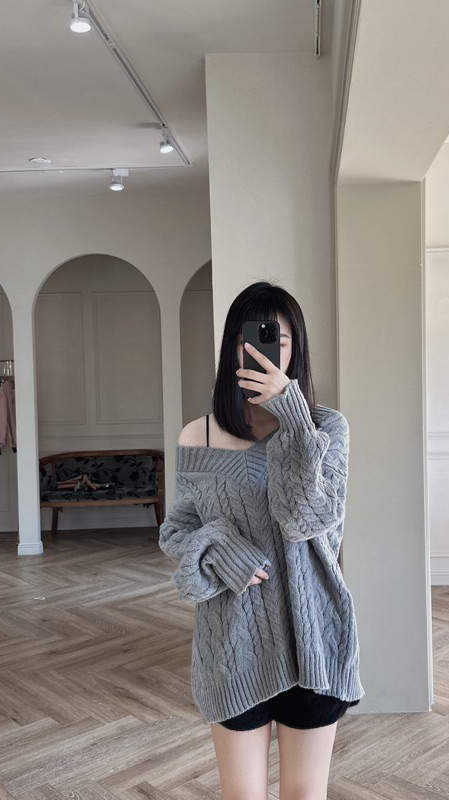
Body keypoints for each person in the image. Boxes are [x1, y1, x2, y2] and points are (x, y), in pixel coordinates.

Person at [158, 280, 364, 800]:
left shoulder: (326, 429)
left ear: (296, 351)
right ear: (233, 347)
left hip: (312, 641)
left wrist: (293, 416)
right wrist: (222, 551)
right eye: (250, 339)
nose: (264, 352)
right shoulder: (198, 435)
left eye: (280, 340)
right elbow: (176, 531)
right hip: (232, 643)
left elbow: (306, 520)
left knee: (303, 795)